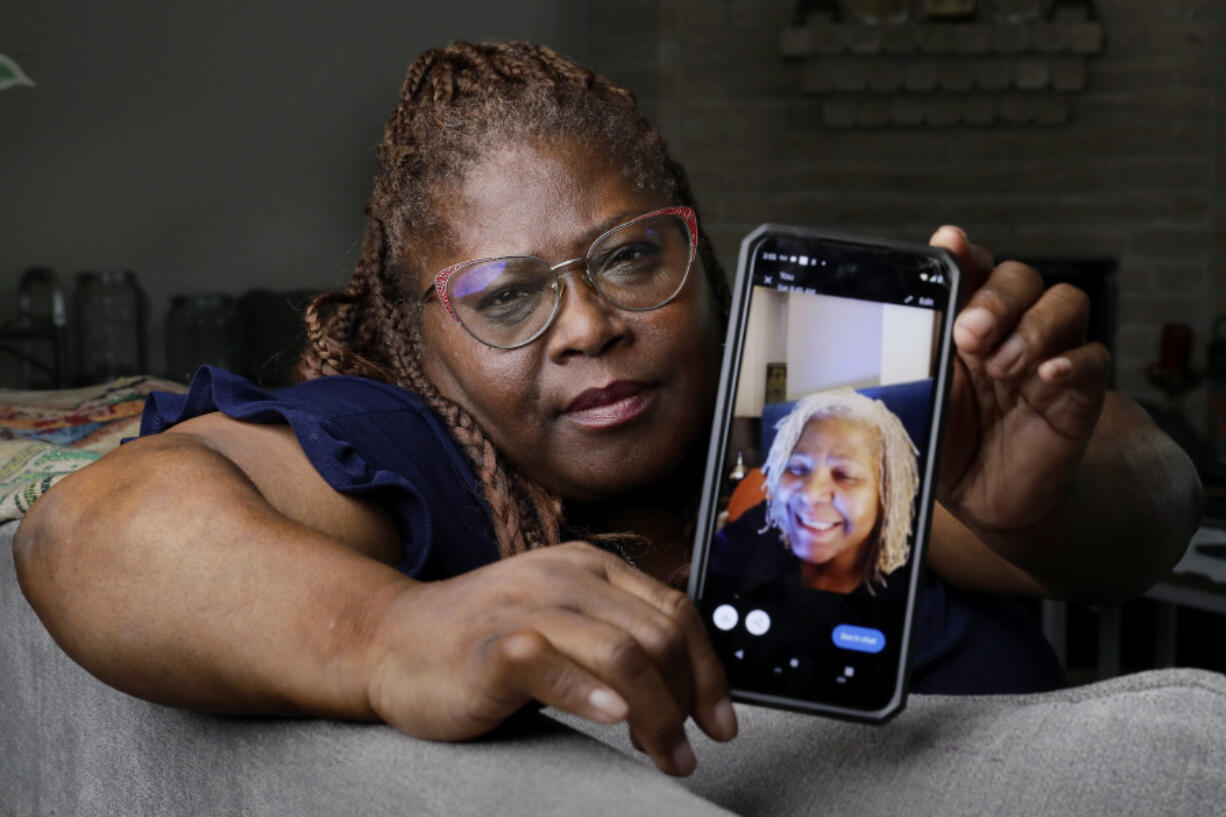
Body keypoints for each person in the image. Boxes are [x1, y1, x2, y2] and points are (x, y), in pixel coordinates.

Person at [12, 41, 1201, 778]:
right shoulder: (416, 451)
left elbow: (1153, 510)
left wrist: (1045, 488)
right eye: (505, 295)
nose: (585, 326)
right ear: (418, 338)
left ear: (696, 251)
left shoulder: (816, 408)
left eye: (629, 257)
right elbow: (95, 530)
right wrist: (386, 637)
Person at [714, 388, 918, 595]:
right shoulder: (760, 528)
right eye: (796, 468)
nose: (810, 494)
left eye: (844, 475)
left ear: (886, 495)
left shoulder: (912, 600)